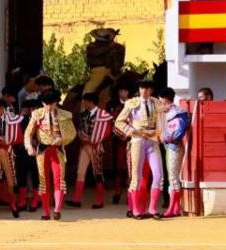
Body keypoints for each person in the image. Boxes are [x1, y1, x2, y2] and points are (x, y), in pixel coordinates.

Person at [114, 79, 164, 219]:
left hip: (152, 140)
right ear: (139, 89)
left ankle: (152, 209)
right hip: (138, 141)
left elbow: (162, 120)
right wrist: (133, 132)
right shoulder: (132, 103)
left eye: (148, 89)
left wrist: (159, 133)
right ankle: (135, 210)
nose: (145, 91)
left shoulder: (157, 103)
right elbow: (119, 122)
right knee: (136, 176)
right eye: (143, 88)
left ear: (151, 90)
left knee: (159, 175)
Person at [24, 89, 76, 220]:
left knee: (59, 180)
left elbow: (72, 133)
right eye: (46, 104)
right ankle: (46, 212)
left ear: (56, 103)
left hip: (57, 150)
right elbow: (28, 133)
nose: (49, 106)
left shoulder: (65, 115)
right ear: (42, 103)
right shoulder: (37, 114)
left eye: (52, 104)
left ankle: (57, 209)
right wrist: (29, 145)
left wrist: (62, 139)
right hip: (42, 150)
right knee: (43, 181)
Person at [67, 92, 113, 209]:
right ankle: (77, 200)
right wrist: (81, 136)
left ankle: (99, 200)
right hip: (84, 146)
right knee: (80, 172)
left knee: (97, 173)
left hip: (96, 147)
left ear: (90, 102)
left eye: (85, 101)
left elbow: (105, 133)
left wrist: (92, 139)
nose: (84, 103)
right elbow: (80, 129)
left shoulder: (102, 115)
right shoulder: (83, 114)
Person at [156, 87, 189, 218]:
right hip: (169, 146)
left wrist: (163, 138)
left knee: (173, 178)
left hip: (174, 146)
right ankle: (174, 208)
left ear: (163, 99)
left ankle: (172, 208)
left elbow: (178, 133)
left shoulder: (176, 113)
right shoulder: (170, 112)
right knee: (172, 177)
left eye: (160, 99)